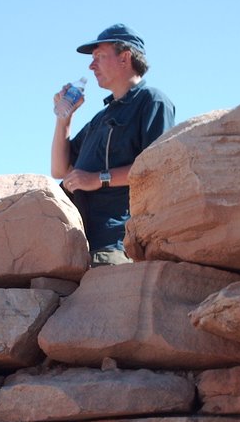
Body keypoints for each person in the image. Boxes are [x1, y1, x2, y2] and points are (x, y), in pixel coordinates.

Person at [51, 23, 176, 266]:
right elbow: (59, 169)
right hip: (80, 244)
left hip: (117, 243)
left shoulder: (152, 101)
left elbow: (157, 170)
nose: (91, 65)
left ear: (124, 58)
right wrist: (64, 119)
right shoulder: (101, 118)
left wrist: (98, 178)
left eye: (99, 56)